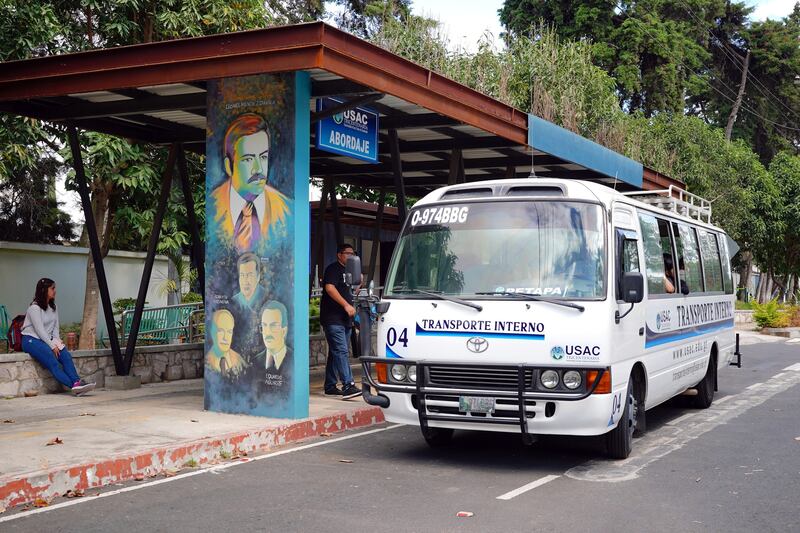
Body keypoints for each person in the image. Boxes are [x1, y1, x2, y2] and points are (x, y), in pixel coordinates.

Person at [210, 113, 292, 253]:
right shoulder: (212, 207)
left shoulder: (287, 210)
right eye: (248, 159)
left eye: (263, 157)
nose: (258, 168)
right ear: (229, 166)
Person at [21, 278, 95, 395]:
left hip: (45, 339)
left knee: (65, 355)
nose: (55, 291)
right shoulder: (34, 308)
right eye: (52, 288)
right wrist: (51, 345)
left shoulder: (53, 306)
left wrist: (58, 342)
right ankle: (74, 387)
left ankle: (77, 382)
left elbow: (55, 329)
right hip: (31, 340)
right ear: (44, 290)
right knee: (52, 360)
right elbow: (39, 330)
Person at [320, 243, 362, 400]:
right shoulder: (333, 269)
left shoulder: (350, 271)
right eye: (348, 253)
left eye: (353, 254)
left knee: (335, 352)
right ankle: (348, 385)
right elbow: (330, 288)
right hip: (333, 317)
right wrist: (345, 305)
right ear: (339, 255)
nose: (351, 256)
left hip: (345, 319)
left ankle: (330, 385)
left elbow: (351, 292)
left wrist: (359, 282)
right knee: (341, 351)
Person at [252, 300, 292, 394]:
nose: (268, 332)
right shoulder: (255, 362)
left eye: (273, 326)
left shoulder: (293, 360)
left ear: (284, 331)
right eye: (264, 326)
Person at [206, 309, 246, 378]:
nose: (225, 337)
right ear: (212, 332)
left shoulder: (239, 362)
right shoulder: (207, 363)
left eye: (229, 332)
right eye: (221, 331)